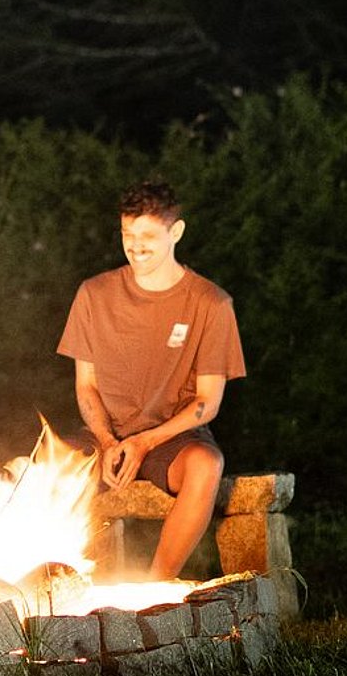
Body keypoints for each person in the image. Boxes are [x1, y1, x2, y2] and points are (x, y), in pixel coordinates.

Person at [58, 179, 247, 578]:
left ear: (176, 232)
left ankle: (154, 588)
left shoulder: (211, 303)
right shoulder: (94, 294)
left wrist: (144, 443)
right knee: (40, 466)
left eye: (147, 235)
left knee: (207, 464)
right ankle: (62, 587)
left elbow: (208, 402)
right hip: (104, 436)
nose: (135, 246)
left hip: (172, 438)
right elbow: (86, 385)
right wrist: (107, 441)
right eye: (128, 234)